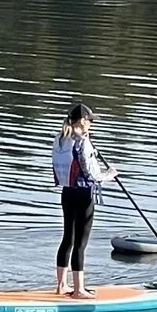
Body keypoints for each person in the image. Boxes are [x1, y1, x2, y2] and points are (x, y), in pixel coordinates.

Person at [52, 101, 116, 298]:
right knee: (80, 243)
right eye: (89, 121)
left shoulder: (60, 139)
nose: (92, 124)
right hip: (83, 195)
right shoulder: (83, 142)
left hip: (67, 193)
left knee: (67, 240)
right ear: (81, 121)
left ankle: (62, 286)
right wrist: (110, 174)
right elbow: (91, 175)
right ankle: (79, 290)